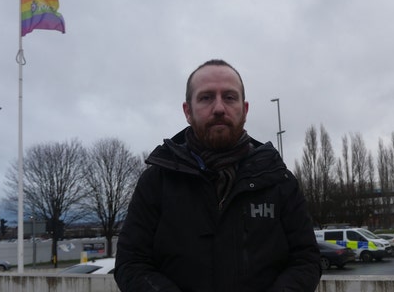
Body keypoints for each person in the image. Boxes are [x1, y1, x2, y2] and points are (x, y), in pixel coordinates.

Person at [114, 59, 321, 292]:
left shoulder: (279, 180)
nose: (219, 108)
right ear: (187, 111)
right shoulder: (156, 182)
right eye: (206, 97)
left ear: (245, 109)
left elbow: (306, 259)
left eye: (230, 97)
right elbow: (130, 263)